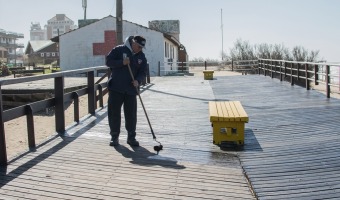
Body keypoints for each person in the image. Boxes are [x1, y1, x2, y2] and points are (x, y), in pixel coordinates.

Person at [106, 35, 147, 147]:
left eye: (141, 47)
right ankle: (114, 137)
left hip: (131, 90)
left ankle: (131, 137)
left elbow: (143, 72)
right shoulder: (119, 50)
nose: (140, 49)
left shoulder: (141, 56)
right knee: (114, 113)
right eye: (138, 46)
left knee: (131, 115)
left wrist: (138, 81)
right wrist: (122, 63)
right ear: (133, 43)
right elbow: (108, 62)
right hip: (116, 88)